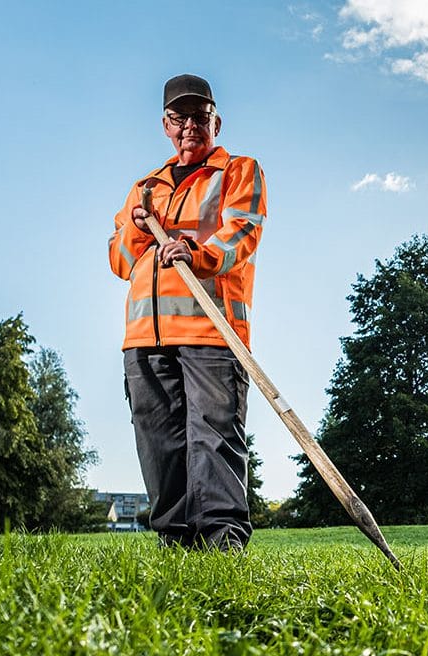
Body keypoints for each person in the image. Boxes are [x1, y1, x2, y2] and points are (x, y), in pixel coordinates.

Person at [107, 74, 266, 550]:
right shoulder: (144, 189)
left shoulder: (238, 170)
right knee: (159, 445)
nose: (190, 126)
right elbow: (119, 260)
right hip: (144, 339)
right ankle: (175, 543)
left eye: (200, 117)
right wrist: (138, 230)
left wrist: (196, 251)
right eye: (181, 118)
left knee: (214, 439)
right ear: (165, 125)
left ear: (216, 121)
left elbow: (242, 231)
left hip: (212, 331)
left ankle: (222, 543)